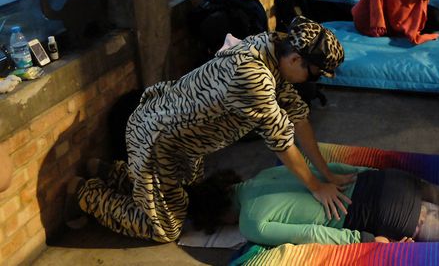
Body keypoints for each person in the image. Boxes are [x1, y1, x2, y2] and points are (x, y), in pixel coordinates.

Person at [66, 17, 350, 243]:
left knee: (182, 197)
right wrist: (315, 187)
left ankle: (108, 172)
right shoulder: (254, 76)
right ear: (296, 60)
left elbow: (298, 116)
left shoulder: (274, 45)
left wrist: (325, 173)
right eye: (313, 74)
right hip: (158, 139)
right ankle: (84, 192)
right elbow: (281, 141)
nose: (309, 81)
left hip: (185, 141)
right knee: (166, 228)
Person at [186, 163, 439, 245]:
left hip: (386, 212)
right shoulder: (265, 172)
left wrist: (366, 241)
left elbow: (314, 233)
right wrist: (365, 170)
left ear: (219, 217)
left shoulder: (252, 223)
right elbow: (321, 169)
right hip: (386, 180)